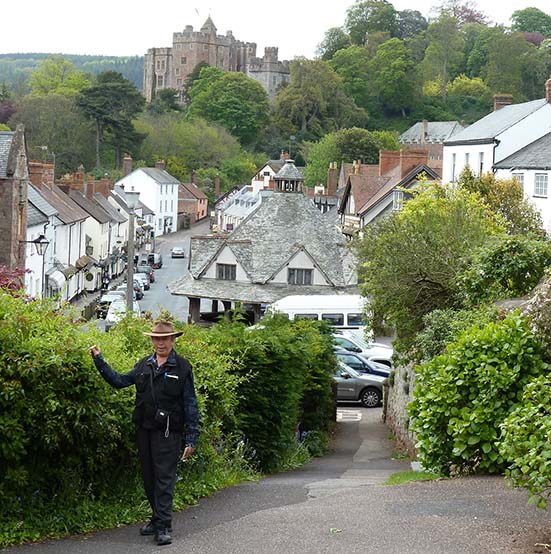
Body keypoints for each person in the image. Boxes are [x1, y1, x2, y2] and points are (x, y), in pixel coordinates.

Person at [90, 320, 200, 546]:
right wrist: (98, 360)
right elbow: (119, 381)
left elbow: (190, 404)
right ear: (152, 340)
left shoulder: (182, 367)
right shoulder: (143, 365)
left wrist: (191, 438)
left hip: (169, 432)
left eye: (164, 339)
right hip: (145, 430)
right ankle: (156, 518)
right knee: (149, 478)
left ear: (172, 340)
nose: (160, 343)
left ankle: (164, 526)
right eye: (156, 339)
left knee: (164, 479)